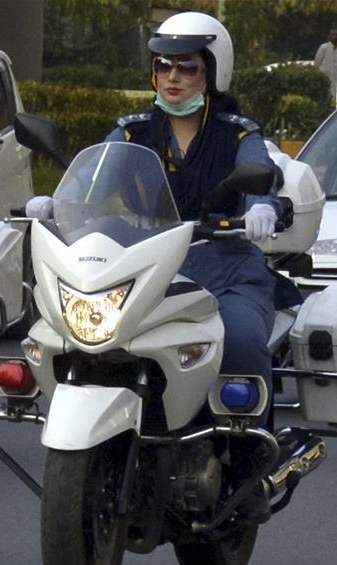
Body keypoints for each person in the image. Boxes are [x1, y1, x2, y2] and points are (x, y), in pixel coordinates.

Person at [29, 12, 281, 522]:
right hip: (153, 261)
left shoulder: (237, 133)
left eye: (186, 67)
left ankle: (249, 469)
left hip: (226, 263)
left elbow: (264, 174)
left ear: (212, 71)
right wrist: (56, 202)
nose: (172, 78)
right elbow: (95, 174)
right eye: (163, 66)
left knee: (241, 341)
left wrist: (263, 208)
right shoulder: (134, 128)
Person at [314, 27, 337, 92]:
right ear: (329, 37)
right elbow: (316, 64)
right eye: (333, 35)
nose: (335, 37)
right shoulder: (324, 47)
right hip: (324, 82)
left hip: (333, 82)